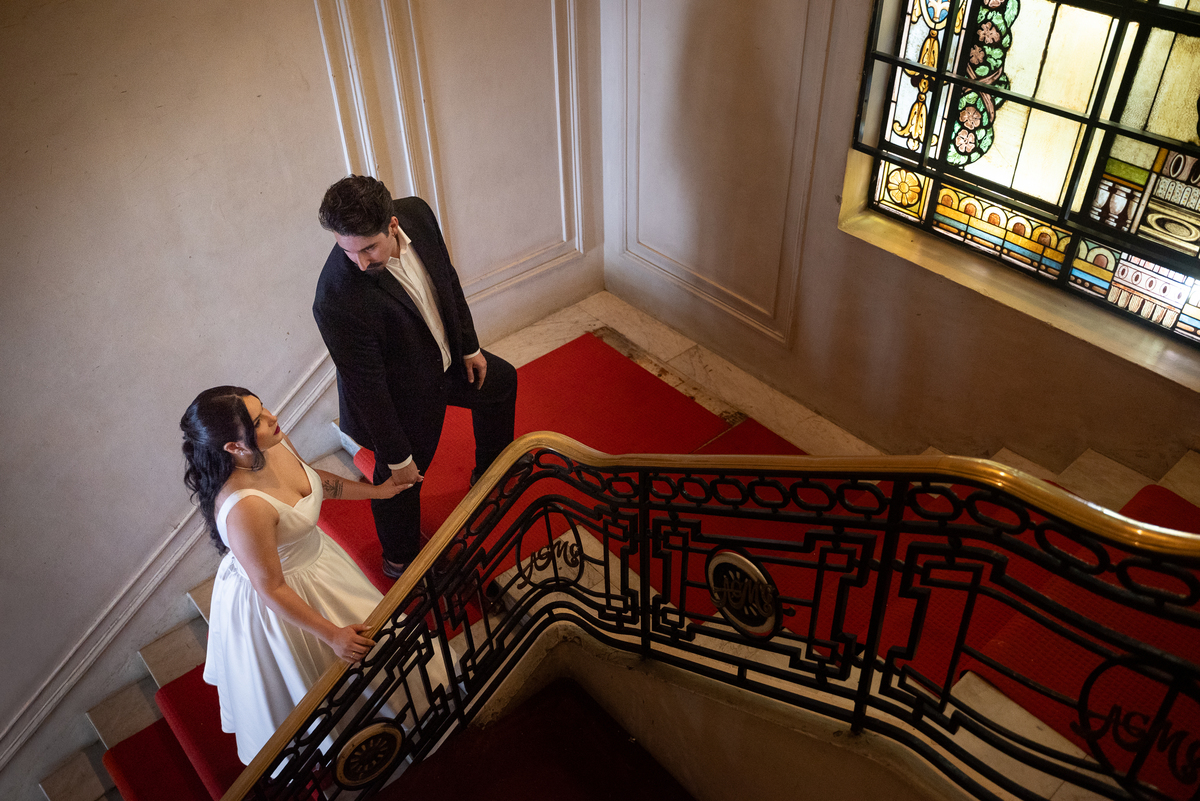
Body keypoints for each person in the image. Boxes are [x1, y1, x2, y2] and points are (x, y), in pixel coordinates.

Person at [181, 385, 412, 764]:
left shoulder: (273, 443)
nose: (273, 418)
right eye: (258, 421)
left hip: (320, 564)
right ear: (234, 448)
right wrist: (332, 634)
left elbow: (312, 480)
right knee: (323, 674)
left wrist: (379, 492)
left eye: (264, 408)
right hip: (285, 594)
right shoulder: (244, 508)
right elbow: (270, 587)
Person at [313, 176, 518, 580]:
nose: (361, 262)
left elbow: (447, 280)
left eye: (369, 247)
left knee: (502, 382)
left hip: (444, 359)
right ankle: (400, 562)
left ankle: (489, 475)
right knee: (399, 483)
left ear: (392, 224)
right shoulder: (335, 299)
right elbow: (367, 387)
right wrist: (398, 457)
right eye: (346, 250)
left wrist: (470, 346)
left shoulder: (417, 213)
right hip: (399, 398)